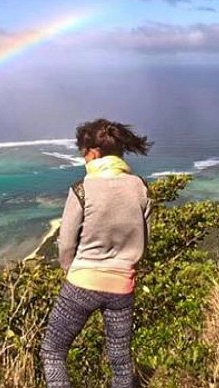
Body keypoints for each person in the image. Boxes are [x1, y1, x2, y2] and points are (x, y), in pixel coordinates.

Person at [40, 118, 152, 388]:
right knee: (121, 361)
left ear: (93, 152)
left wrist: (70, 270)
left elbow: (66, 243)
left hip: (82, 283)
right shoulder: (140, 187)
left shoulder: (82, 189)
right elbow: (145, 241)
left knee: (53, 352)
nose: (82, 157)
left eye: (83, 152)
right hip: (122, 285)